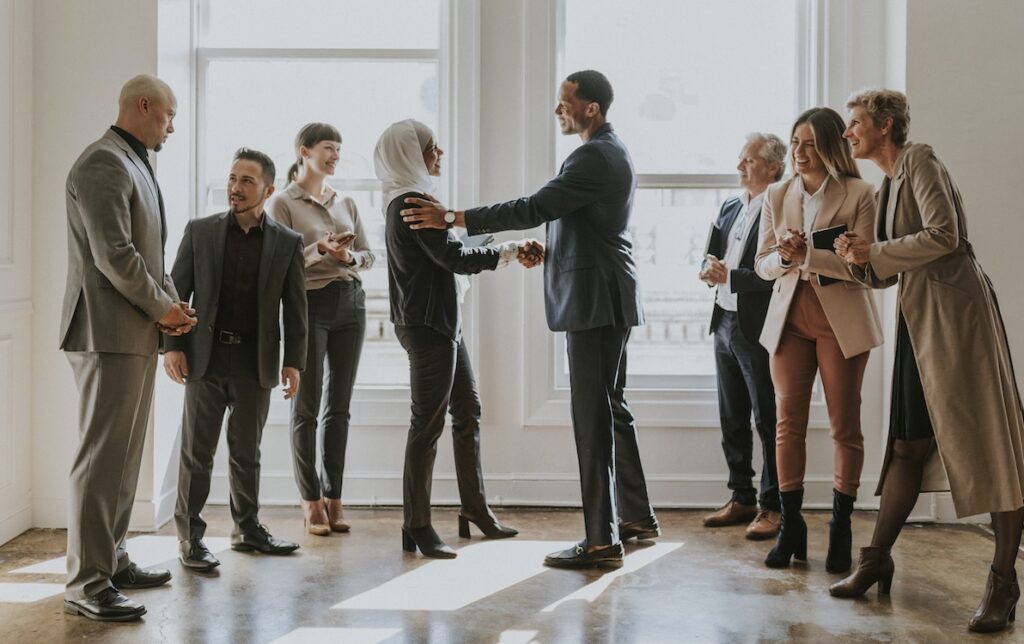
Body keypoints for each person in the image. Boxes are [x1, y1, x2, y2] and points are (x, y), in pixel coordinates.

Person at [401, 70, 659, 569]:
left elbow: (536, 205)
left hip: (594, 300)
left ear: (592, 108)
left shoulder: (594, 154)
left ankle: (602, 541)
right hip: (609, 294)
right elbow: (575, 218)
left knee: (593, 416)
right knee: (611, 408)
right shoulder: (611, 150)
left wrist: (454, 218)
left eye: (566, 103)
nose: (558, 110)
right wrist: (546, 247)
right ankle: (638, 518)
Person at [831, 89, 1024, 633]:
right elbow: (891, 270)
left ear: (886, 125)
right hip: (920, 324)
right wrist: (859, 259)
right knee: (907, 445)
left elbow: (946, 235)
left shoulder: (920, 158)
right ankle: (876, 559)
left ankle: (1003, 583)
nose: (849, 133)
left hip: (959, 324)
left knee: (993, 447)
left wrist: (877, 253)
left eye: (857, 123)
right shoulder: (889, 182)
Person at [60, 74, 197, 622]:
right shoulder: (102, 162)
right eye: (168, 114)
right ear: (143, 106)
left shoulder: (131, 161)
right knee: (100, 460)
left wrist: (169, 307)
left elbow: (145, 254)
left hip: (131, 331)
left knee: (123, 459)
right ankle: (85, 583)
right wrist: (163, 307)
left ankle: (111, 560)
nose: (171, 125)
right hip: (103, 332)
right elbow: (113, 254)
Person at [374, 119, 536, 558]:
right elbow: (454, 257)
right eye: (432, 147)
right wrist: (509, 252)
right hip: (429, 326)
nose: (440, 154)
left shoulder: (411, 198)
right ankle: (418, 525)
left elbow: (452, 243)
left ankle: (474, 509)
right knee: (427, 424)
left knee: (468, 411)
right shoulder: (411, 201)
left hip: (439, 321)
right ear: (410, 153)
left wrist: (509, 242)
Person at [166, 148, 307, 570]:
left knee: (247, 452)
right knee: (197, 453)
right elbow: (175, 293)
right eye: (232, 178)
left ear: (268, 189)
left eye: (247, 181)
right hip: (204, 360)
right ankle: (189, 538)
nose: (235, 188)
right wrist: (171, 347)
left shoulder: (287, 242)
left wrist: (293, 362)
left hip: (255, 361)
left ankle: (247, 529)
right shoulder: (201, 231)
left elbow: (296, 310)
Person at [753, 107, 882, 572]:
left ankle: (841, 526)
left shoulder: (861, 193)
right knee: (788, 422)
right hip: (790, 317)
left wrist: (812, 257)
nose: (799, 153)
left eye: (809, 144)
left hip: (841, 318)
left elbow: (864, 268)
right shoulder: (776, 193)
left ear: (830, 146)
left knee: (844, 424)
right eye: (795, 143)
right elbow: (763, 264)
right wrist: (785, 258)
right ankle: (791, 526)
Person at [267, 123, 376, 536]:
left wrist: (348, 259)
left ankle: (335, 497)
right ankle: (310, 501)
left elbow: (369, 256)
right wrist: (319, 250)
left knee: (340, 408)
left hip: (351, 303)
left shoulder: (346, 201)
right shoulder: (282, 203)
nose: (335, 156)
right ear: (304, 151)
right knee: (306, 407)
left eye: (338, 150)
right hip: (308, 306)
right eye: (329, 148)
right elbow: (279, 263)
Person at [699, 133, 787, 540]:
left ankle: (774, 506)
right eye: (740, 159)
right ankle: (741, 496)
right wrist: (708, 268)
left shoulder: (784, 207)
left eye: (748, 160)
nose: (740, 167)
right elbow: (711, 252)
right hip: (724, 321)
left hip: (759, 325)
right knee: (731, 417)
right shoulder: (730, 205)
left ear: (772, 166)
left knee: (766, 418)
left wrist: (730, 276)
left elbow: (780, 271)